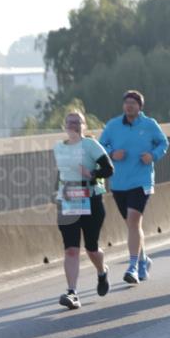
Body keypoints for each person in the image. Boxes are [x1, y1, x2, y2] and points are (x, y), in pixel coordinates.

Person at [99, 90, 169, 284]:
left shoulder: (149, 125)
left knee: (133, 220)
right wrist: (112, 154)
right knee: (132, 225)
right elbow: (100, 145)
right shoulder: (113, 125)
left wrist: (152, 156)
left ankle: (132, 267)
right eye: (126, 102)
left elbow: (164, 143)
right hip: (119, 182)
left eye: (133, 103)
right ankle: (143, 260)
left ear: (140, 107)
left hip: (142, 181)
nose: (129, 106)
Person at [53, 110, 114, 309]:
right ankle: (72, 293)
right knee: (71, 249)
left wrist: (92, 173)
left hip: (91, 199)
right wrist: (56, 193)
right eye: (70, 122)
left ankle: (102, 271)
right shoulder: (59, 148)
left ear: (84, 126)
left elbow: (109, 169)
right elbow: (61, 173)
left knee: (91, 248)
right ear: (64, 126)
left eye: (77, 122)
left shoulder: (90, 145)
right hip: (68, 200)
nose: (73, 125)